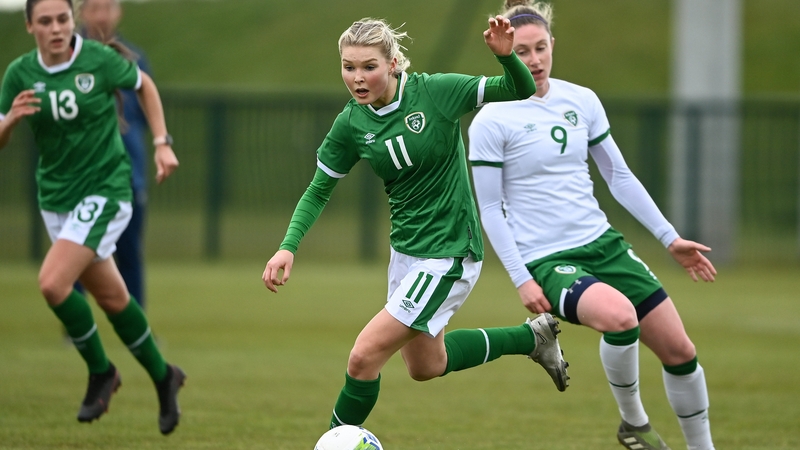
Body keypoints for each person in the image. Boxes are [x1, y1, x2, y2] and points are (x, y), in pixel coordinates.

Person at [263, 17, 570, 430]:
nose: (357, 78)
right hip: (406, 253)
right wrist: (288, 246)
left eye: (368, 66)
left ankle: (333, 441)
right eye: (348, 67)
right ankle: (531, 338)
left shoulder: (435, 92)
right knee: (426, 365)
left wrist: (505, 58)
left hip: (448, 253)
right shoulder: (352, 123)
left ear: (392, 64)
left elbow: (519, 88)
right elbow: (318, 190)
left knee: (363, 357)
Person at [468, 2, 716, 449]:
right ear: (505, 53)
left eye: (541, 48)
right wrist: (522, 278)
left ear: (552, 44)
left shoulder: (580, 100)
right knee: (620, 318)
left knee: (681, 351)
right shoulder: (492, 119)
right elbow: (489, 208)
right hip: (548, 259)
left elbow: (619, 176)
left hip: (604, 244)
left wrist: (670, 238)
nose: (534, 60)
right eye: (521, 52)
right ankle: (634, 423)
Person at [0, 0, 185, 435]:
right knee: (113, 299)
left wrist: (162, 143)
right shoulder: (19, 74)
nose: (56, 28)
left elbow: (144, 85)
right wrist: (10, 122)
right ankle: (164, 376)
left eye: (62, 19)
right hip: (56, 199)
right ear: (29, 26)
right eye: (45, 21)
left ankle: (101, 370)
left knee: (52, 283)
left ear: (73, 20)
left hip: (106, 189)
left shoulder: (99, 60)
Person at [79, 0, 151, 311]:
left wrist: (162, 143)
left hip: (128, 174)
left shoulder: (134, 58)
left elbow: (147, 110)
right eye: (95, 7)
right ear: (82, 12)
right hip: (82, 177)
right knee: (76, 255)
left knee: (129, 254)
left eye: (108, 7)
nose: (102, 15)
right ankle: (77, 326)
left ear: (118, 12)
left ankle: (137, 326)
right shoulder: (69, 58)